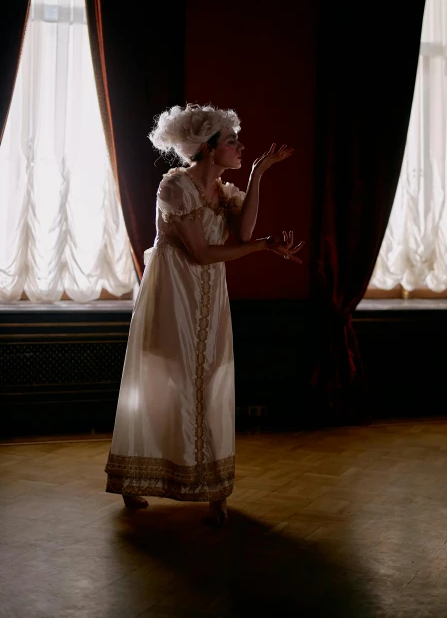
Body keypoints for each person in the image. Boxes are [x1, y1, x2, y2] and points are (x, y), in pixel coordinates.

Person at [104, 104, 304, 526]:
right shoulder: (176, 188)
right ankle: (137, 475)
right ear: (209, 149)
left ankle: (212, 484)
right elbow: (200, 253)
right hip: (175, 291)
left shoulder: (223, 191)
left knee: (212, 377)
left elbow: (244, 232)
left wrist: (257, 176)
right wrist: (262, 247)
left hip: (210, 296)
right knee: (168, 381)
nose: (239, 147)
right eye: (231, 142)